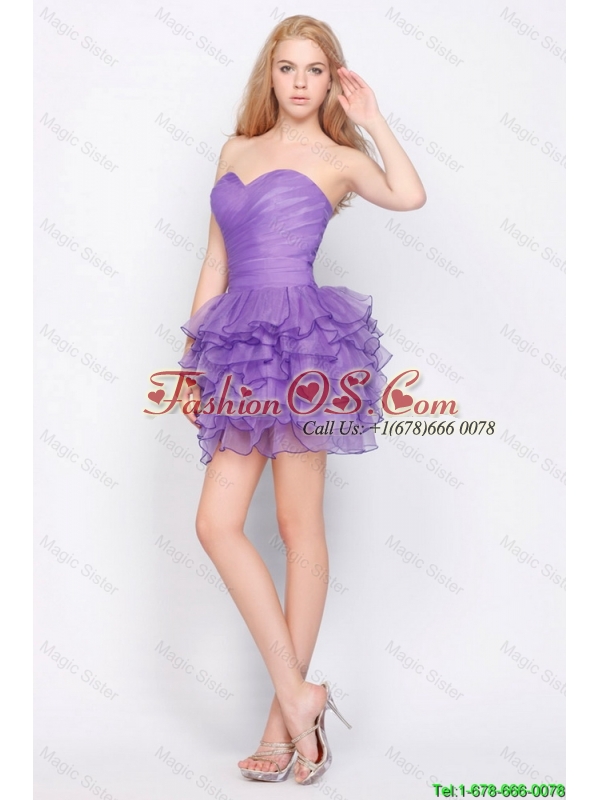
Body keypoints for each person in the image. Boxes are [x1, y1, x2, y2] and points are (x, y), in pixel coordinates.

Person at [178, 14, 426, 785]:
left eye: (315, 70)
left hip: (308, 348)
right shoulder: (235, 150)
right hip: (237, 348)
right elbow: (215, 260)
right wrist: (192, 356)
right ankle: (300, 696)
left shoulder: (340, 158)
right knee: (216, 523)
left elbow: (410, 195)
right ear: (270, 73)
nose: (299, 82)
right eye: (287, 67)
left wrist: (373, 119)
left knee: (297, 526)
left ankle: (278, 724)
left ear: (332, 81)